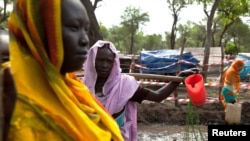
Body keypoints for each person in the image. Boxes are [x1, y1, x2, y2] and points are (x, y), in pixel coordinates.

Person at [3, 0, 124, 140]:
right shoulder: (11, 95)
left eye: (86, 29)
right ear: (38, 30)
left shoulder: (74, 89)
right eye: (74, 27)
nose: (85, 40)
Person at [83, 40, 200, 141]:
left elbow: (158, 96)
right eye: (100, 60)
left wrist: (177, 79)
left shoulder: (125, 85)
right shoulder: (80, 87)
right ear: (92, 61)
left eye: (109, 61)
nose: (104, 65)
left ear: (114, 63)